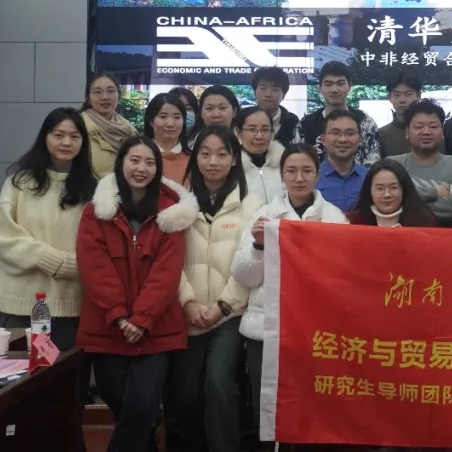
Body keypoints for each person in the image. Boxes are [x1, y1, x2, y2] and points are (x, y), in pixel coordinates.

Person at [77, 135, 196, 452]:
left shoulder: (171, 212)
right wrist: (118, 315)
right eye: (134, 160)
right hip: (107, 324)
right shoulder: (96, 212)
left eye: (149, 162)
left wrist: (142, 318)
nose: (141, 168)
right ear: (121, 164)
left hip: (155, 327)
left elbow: (167, 272)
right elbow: (94, 267)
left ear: (158, 169)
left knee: (143, 404)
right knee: (119, 401)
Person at [231, 144, 348, 415]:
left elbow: (343, 276)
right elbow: (244, 276)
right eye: (291, 171)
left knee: (311, 406)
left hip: (315, 331)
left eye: (307, 171)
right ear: (281, 175)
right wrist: (258, 246)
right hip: (266, 328)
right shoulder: (263, 216)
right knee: (267, 405)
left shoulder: (334, 219)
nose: (299, 178)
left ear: (318, 175)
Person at [170, 126, 260, 452]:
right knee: (185, 392)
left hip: (230, 314)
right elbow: (169, 261)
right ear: (194, 159)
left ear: (234, 159)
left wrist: (222, 307)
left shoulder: (251, 205)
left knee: (220, 384)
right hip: (188, 312)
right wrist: (188, 302)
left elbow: (253, 263)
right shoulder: (179, 204)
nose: (213, 162)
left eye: (222, 154)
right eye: (205, 154)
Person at [0, 108, 97, 351]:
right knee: (17, 374)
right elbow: (3, 237)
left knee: (62, 373)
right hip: (19, 301)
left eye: (75, 136)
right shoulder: (19, 183)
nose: (66, 142)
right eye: (58, 135)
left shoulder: (92, 189)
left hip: (69, 303)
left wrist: (80, 265)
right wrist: (55, 261)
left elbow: (99, 244)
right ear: (45, 137)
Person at [388, 99, 452, 227]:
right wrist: (435, 192)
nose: (426, 132)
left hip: (442, 236)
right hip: (401, 235)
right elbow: (386, 201)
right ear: (407, 132)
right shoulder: (392, 165)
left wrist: (405, 206)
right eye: (418, 127)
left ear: (442, 131)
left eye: (433, 126)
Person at [300, 61, 382, 165]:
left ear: (350, 86)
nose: (334, 90)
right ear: (320, 88)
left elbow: (373, 163)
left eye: (340, 84)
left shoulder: (365, 123)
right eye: (328, 84)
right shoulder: (306, 124)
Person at [347, 159, 441, 228]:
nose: (387, 195)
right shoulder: (353, 222)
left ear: (404, 189)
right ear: (369, 190)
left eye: (394, 187)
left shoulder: (424, 221)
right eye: (380, 188)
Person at [81, 72, 137, 179]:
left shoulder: (129, 130)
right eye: (97, 92)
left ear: (119, 95)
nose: (105, 97)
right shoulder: (78, 126)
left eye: (111, 91)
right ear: (88, 98)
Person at [315, 109, 369, 212]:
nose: (343, 139)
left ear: (360, 139)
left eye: (350, 133)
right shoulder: (312, 180)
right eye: (335, 133)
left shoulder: (370, 179)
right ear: (323, 140)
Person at [236, 106, 285, 206]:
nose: (259, 136)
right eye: (252, 129)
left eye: (265, 130)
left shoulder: (285, 165)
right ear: (239, 133)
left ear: (272, 133)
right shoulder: (231, 167)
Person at [144, 92, 190, 185]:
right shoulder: (139, 156)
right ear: (151, 121)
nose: (170, 124)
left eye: (177, 117)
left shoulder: (194, 160)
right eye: (163, 116)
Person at [251, 66, 301, 145]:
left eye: (275, 89)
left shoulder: (293, 123)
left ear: (283, 95)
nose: (268, 94)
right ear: (255, 93)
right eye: (263, 88)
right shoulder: (243, 120)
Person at [379, 72, 422, 157]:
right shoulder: (381, 134)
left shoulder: (430, 132)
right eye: (397, 95)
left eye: (408, 94)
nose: (402, 100)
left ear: (418, 96)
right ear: (389, 98)